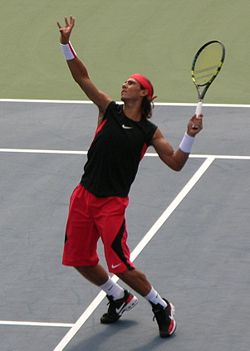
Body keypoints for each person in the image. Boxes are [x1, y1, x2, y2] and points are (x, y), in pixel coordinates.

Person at [57, 16, 203, 338]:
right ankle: (118, 296)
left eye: (131, 82)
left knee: (120, 264)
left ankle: (160, 305)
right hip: (83, 196)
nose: (124, 85)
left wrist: (189, 136)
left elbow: (176, 163)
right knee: (79, 260)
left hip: (111, 205)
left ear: (144, 94)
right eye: (125, 82)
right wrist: (66, 44)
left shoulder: (148, 132)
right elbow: (82, 78)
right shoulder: (108, 110)